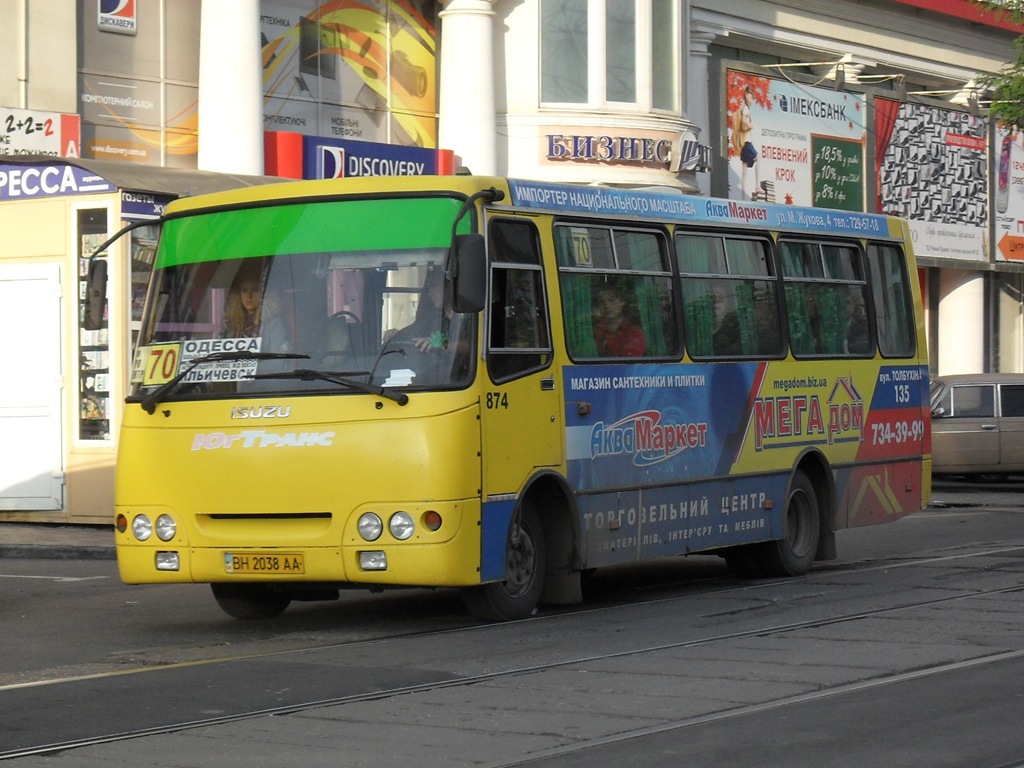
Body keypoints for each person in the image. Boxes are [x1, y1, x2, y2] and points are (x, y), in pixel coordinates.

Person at [592, 280, 646, 357]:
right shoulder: (598, 329)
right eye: (601, 302)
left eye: (611, 300)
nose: (606, 306)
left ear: (622, 302)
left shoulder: (633, 332)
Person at [731, 85, 761, 200]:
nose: (751, 99)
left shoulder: (744, 108)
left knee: (744, 172)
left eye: (752, 97)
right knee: (758, 158)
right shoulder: (746, 109)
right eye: (750, 96)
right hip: (747, 143)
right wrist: (751, 126)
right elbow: (744, 121)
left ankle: (742, 197)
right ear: (746, 96)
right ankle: (757, 186)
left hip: (742, 144)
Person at [225, 265, 262, 337]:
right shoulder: (233, 323)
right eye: (244, 290)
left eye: (255, 290)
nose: (249, 296)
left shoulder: (272, 322)